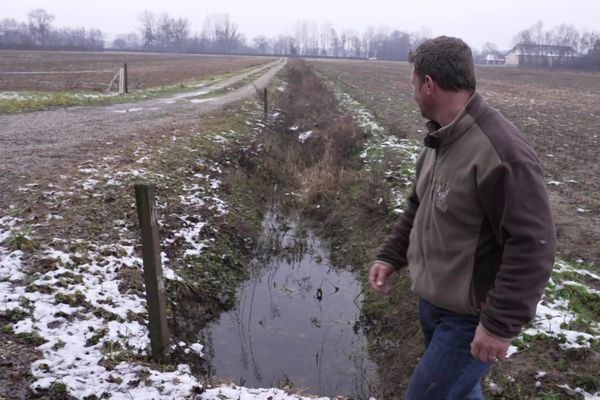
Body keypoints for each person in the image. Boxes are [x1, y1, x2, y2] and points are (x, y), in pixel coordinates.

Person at [368, 36, 556, 400]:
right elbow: (418, 206)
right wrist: (390, 256)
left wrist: (498, 325)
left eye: (412, 82)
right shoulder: (441, 141)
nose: (411, 91)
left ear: (428, 84)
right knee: (460, 393)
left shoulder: (499, 151)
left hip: (470, 317)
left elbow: (534, 245)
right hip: (435, 305)